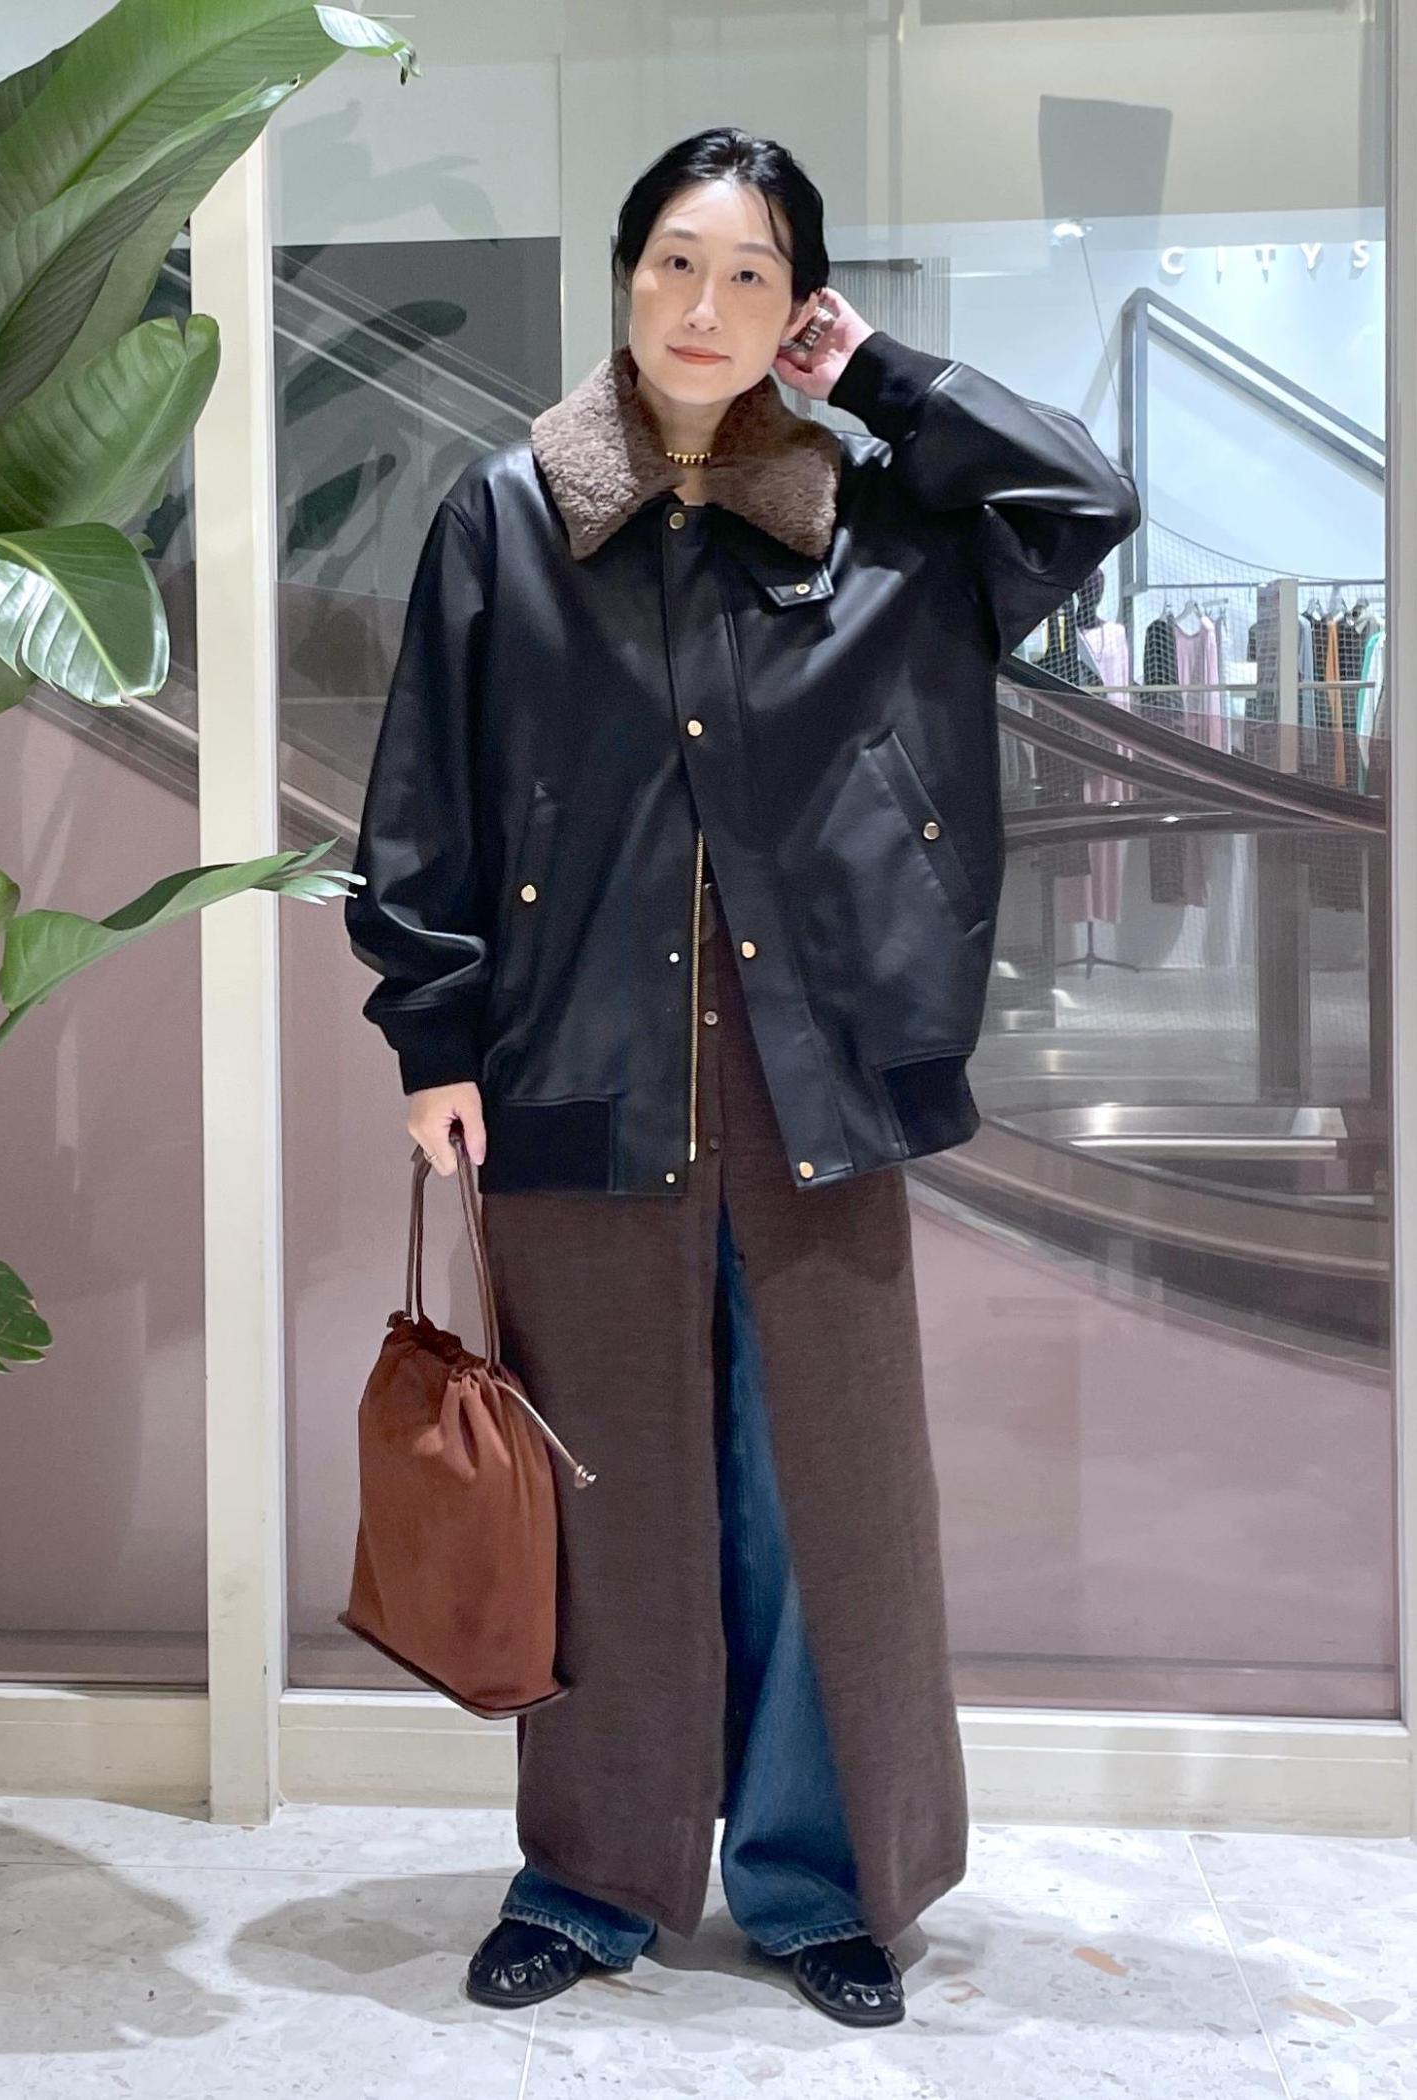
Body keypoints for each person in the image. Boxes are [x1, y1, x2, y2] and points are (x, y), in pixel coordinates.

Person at [345, 127, 1140, 2026]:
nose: (705, 308)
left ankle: (819, 1882)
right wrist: (433, 1035)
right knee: (605, 1498)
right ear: (625, 282)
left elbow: (1084, 497)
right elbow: (428, 788)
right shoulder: (510, 515)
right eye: (674, 267)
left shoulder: (878, 521)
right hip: (574, 1067)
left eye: (752, 275)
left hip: (817, 1077)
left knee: (822, 1499)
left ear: (803, 305)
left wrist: (884, 382)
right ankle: (592, 1878)